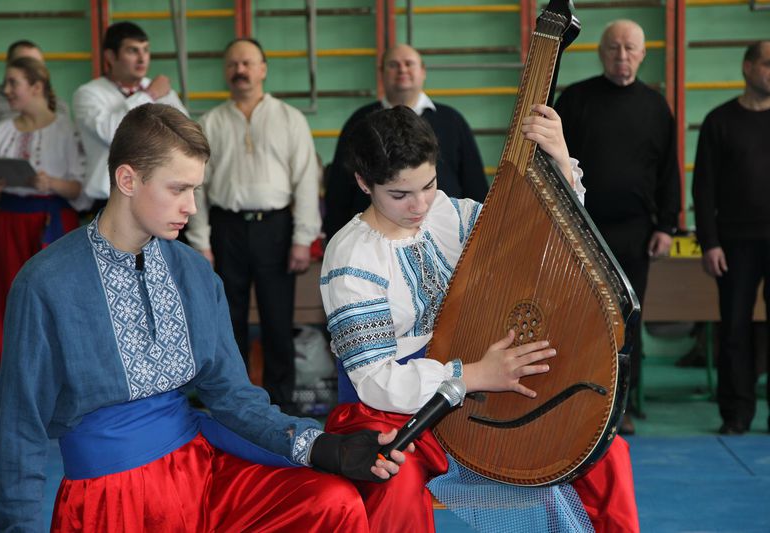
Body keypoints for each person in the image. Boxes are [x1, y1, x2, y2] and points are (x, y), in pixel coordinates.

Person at [0, 103, 410, 531]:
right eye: (178, 189)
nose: (190, 206)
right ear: (127, 179)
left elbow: (232, 396)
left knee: (330, 503)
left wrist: (320, 447)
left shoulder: (193, 271)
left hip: (201, 472)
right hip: (111, 499)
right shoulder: (45, 282)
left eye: (196, 190)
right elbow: (20, 430)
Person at [320, 105, 639, 533]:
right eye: (400, 195)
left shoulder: (450, 215)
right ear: (364, 183)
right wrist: (471, 375)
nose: (419, 205)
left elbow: (544, 236)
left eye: (428, 185)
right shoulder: (352, 257)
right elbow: (376, 380)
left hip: (485, 380)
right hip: (394, 406)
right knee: (393, 477)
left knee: (601, 450)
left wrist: (561, 163)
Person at [554, 19, 681, 434]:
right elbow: (554, 164)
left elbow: (668, 172)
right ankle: (578, 404)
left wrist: (667, 225)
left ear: (643, 54)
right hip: (583, 228)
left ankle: (621, 406)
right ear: (600, 52)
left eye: (630, 49)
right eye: (614, 48)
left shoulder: (655, 106)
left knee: (628, 318)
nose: (622, 56)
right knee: (580, 318)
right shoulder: (575, 100)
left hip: (635, 230)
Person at [186, 38, 321, 415]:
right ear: (226, 72)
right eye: (233, 64)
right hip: (225, 229)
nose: (240, 70)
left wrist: (302, 239)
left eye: (247, 63)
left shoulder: (289, 118)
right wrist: (201, 241)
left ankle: (284, 407)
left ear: (263, 69)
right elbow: (198, 187)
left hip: (276, 229)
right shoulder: (209, 122)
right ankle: (233, 404)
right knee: (227, 324)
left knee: (278, 322)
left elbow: (307, 181)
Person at [324, 43, 489, 240]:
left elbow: (474, 183)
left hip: (446, 237)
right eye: (394, 65)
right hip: (377, 239)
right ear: (382, 73)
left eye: (409, 64)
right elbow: (339, 190)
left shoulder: (452, 120)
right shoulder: (360, 122)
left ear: (423, 71)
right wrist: (335, 236)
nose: (402, 69)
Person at [692, 40, 770, 435]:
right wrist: (710, 242)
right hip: (735, 241)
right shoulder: (720, 121)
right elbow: (703, 188)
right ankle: (736, 413)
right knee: (735, 329)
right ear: (747, 67)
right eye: (767, 64)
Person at [0, 57, 84, 362]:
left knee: (56, 299)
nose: (7, 90)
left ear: (37, 86)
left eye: (14, 83)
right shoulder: (1, 130)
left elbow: (80, 189)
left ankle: (58, 371)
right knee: (8, 295)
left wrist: (50, 182)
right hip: (8, 221)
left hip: (52, 221)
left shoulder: (65, 129)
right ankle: (14, 368)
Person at [73, 21, 187, 208]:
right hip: (109, 198)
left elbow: (183, 136)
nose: (142, 59)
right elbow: (113, 134)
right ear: (110, 56)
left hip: (158, 194)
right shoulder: (88, 94)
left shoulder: (161, 89)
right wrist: (149, 95)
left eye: (146, 50)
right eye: (133, 51)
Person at [0, 40, 68, 147]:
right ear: (9, 65)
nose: (32, 69)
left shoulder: (60, 107)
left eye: (36, 64)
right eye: (23, 63)